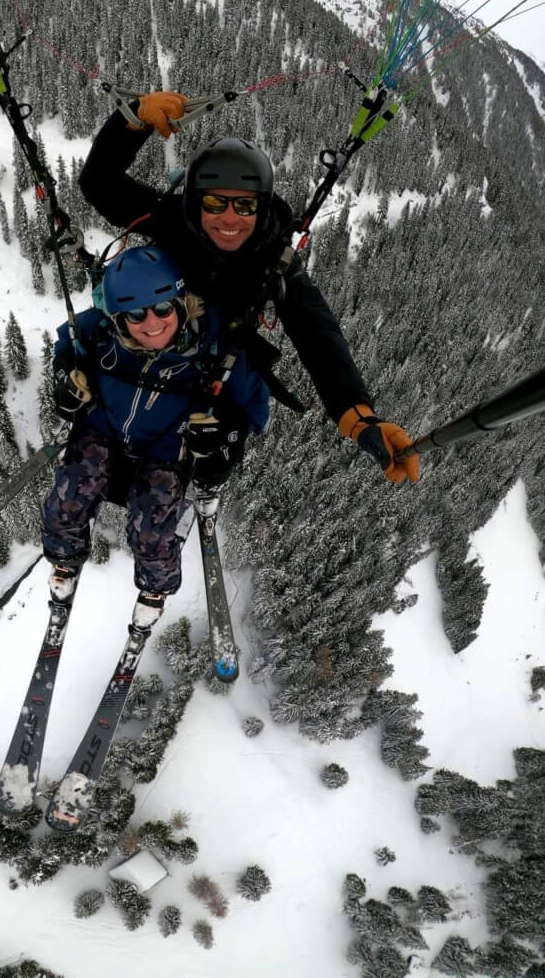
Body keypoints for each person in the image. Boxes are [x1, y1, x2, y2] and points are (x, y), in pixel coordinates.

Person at [78, 91, 420, 486]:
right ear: (194, 201)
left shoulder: (271, 256)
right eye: (214, 203)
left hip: (220, 358)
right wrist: (131, 123)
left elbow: (315, 328)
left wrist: (354, 412)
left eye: (244, 207)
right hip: (158, 332)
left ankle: (205, 472)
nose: (228, 219)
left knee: (220, 441)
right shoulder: (173, 220)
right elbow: (99, 185)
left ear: (261, 208)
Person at [40, 245, 269, 635]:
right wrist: (66, 377)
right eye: (135, 314)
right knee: (68, 494)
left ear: (181, 303)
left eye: (163, 308)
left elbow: (253, 408)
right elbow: (67, 344)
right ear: (118, 316)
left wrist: (222, 432)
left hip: (168, 444)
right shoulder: (100, 333)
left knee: (152, 528)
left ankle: (155, 590)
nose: (151, 323)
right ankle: (64, 559)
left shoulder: (213, 350)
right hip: (106, 429)